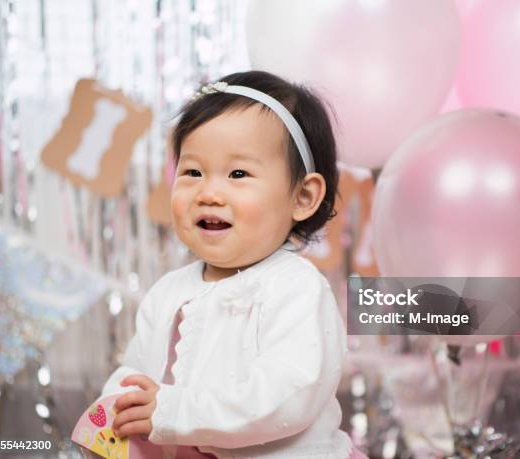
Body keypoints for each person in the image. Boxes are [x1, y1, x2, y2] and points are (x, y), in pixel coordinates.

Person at [100, 70, 367, 458]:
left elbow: (288, 395)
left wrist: (174, 410)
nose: (209, 193)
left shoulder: (294, 287)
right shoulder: (169, 291)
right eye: (192, 172)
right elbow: (139, 373)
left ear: (303, 196)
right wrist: (115, 408)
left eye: (238, 174)